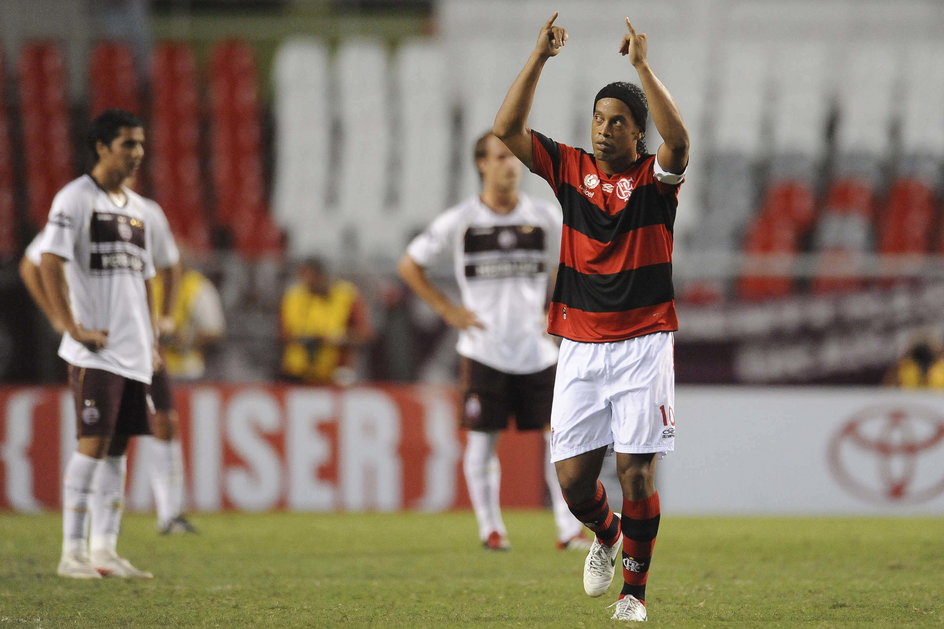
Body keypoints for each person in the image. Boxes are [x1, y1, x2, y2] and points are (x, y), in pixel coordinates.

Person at [493, 13, 690, 621]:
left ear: (638, 136)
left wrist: (640, 67)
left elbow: (680, 142)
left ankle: (634, 596)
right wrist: (540, 56)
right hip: (579, 344)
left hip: (644, 344)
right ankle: (604, 535)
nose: (604, 131)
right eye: (599, 120)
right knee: (576, 485)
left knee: (635, 475)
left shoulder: (657, 183)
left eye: (618, 123)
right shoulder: (570, 170)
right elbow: (506, 128)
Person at [398, 131, 590, 552]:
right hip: (483, 350)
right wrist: (447, 310)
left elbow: (574, 265)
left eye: (514, 157)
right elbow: (410, 264)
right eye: (501, 156)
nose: (511, 164)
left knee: (560, 439)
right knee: (483, 440)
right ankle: (491, 529)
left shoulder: (544, 218)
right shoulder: (461, 220)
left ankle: (568, 528)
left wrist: (556, 308)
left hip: (537, 349)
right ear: (481, 164)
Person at [38, 108, 160, 579]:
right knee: (92, 443)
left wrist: (150, 338)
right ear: (102, 146)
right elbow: (49, 261)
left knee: (117, 449)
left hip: (133, 350)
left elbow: (146, 278)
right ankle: (72, 553)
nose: (138, 154)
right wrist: (68, 324)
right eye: (129, 144)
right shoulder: (75, 198)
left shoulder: (139, 208)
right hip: (97, 348)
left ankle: (105, 550)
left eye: (141, 144)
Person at [279, 257, 375, 385]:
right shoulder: (293, 296)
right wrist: (305, 339)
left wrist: (338, 338)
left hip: (337, 373)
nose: (306, 283)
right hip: (297, 372)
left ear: (322, 275)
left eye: (310, 277)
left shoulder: (346, 295)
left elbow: (365, 334)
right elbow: (284, 333)